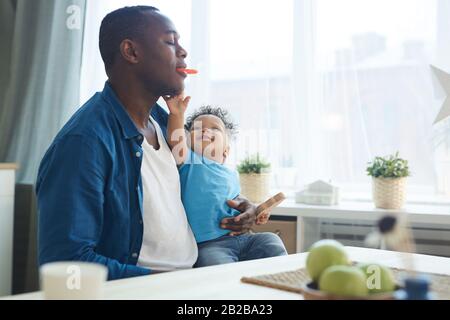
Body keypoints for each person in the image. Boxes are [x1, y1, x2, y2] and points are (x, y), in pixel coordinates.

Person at [36, 6, 258, 280]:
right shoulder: (84, 143)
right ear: (131, 52)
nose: (184, 52)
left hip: (190, 277)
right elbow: (67, 263)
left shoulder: (164, 123)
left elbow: (198, 180)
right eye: (170, 41)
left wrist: (239, 206)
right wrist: (163, 284)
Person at [164, 97, 287, 267]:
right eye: (197, 128)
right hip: (210, 244)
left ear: (225, 152)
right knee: (217, 269)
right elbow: (176, 139)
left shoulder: (231, 174)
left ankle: (280, 279)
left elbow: (236, 200)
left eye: (215, 128)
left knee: (271, 240)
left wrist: (256, 212)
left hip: (244, 237)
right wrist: (177, 113)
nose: (205, 130)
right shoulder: (189, 161)